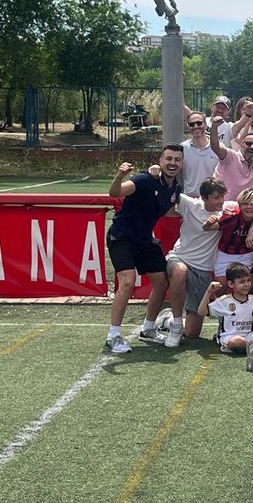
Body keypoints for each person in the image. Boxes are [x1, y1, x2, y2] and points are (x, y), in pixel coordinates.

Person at [104, 147, 182, 353]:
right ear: (161, 161)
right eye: (169, 158)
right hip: (122, 237)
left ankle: (148, 328)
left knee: (161, 282)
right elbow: (114, 193)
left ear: (182, 164)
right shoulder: (145, 179)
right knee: (127, 281)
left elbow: (170, 210)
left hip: (146, 240)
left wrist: (201, 213)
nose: (173, 163)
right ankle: (113, 336)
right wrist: (119, 176)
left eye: (177, 159)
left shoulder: (176, 188)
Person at [163, 178, 232, 348]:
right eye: (216, 197)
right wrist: (155, 170)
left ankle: (166, 320)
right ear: (204, 197)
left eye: (222, 196)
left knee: (192, 333)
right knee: (180, 271)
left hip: (203, 269)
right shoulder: (190, 204)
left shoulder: (228, 209)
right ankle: (176, 325)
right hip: (180, 257)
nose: (221, 201)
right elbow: (167, 191)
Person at [202, 261, 253, 355]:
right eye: (242, 282)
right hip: (230, 337)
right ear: (231, 284)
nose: (246, 284)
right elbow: (201, 312)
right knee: (236, 341)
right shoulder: (225, 301)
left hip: (249, 336)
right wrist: (208, 292)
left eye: (248, 280)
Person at [211, 128, 253, 201]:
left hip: (240, 206)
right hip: (220, 204)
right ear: (242, 144)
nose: (252, 147)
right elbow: (215, 147)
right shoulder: (231, 156)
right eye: (248, 144)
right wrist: (214, 126)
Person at [180, 110, 220, 196]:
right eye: (191, 124)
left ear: (205, 124)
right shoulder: (182, 148)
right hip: (190, 197)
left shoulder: (218, 148)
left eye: (199, 123)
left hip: (212, 197)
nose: (195, 126)